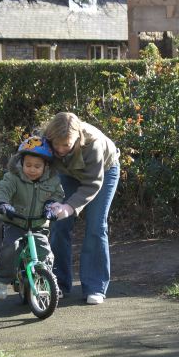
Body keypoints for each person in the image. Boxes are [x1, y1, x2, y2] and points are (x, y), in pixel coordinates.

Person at [43, 112, 120, 305]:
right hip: (68, 174)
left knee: (96, 226)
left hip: (104, 172)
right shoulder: (44, 138)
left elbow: (92, 183)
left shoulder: (92, 143)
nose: (60, 150)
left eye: (66, 145)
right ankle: (58, 283)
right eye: (56, 145)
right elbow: (26, 162)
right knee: (59, 224)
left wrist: (70, 206)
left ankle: (95, 286)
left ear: (77, 138)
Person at [0, 136, 64, 299]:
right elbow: (2, 190)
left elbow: (58, 195)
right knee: (11, 247)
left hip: (38, 224)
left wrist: (51, 206)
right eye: (28, 165)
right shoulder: (13, 178)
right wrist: (3, 204)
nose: (32, 169)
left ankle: (47, 281)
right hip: (15, 222)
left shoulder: (52, 181)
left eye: (37, 166)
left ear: (46, 166)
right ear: (21, 163)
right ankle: (2, 281)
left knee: (45, 253)